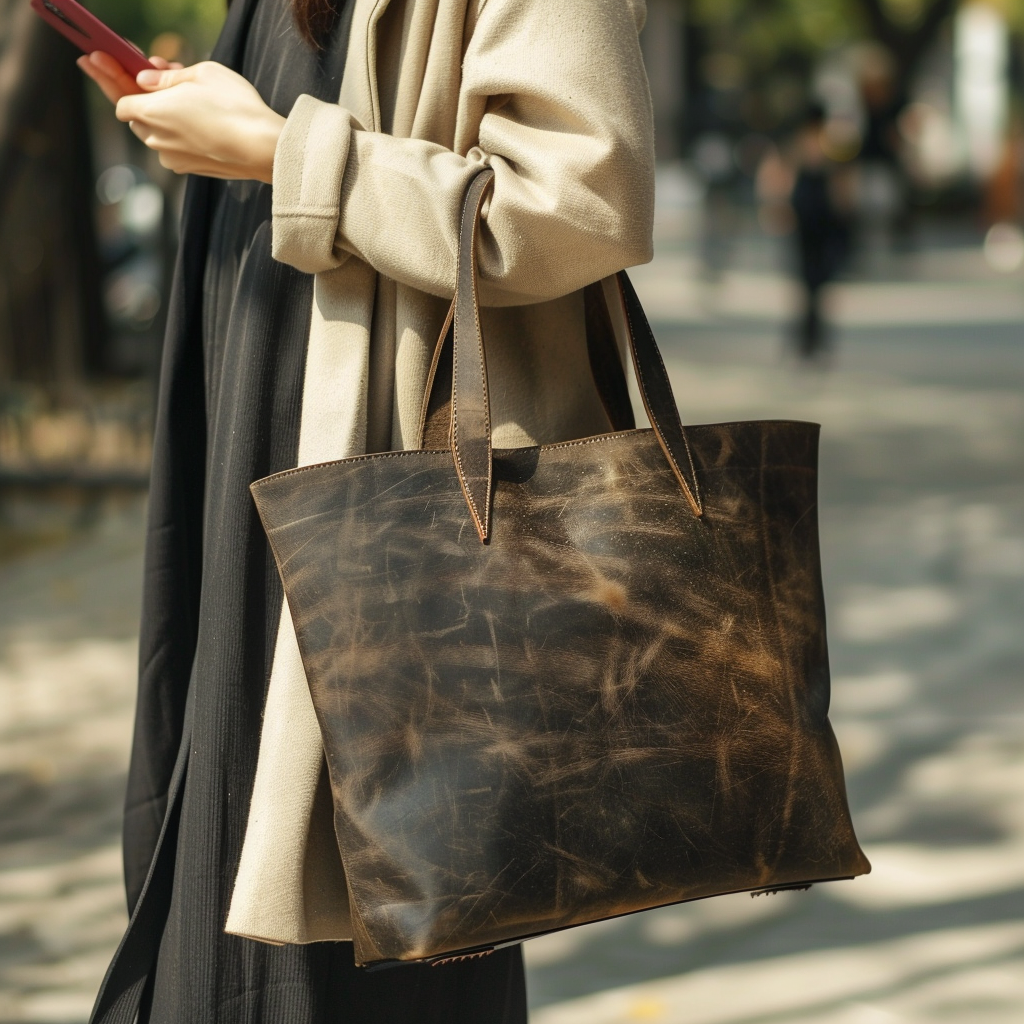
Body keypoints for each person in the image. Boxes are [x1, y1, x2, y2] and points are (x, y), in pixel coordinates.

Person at [78, 0, 655, 1021]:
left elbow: (581, 200)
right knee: (223, 841)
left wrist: (282, 156)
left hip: (381, 468)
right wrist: (211, 126)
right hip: (256, 411)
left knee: (376, 901)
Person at [789, 103, 853, 360]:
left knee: (812, 282)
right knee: (813, 282)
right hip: (816, 216)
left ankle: (810, 336)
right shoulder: (827, 144)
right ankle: (810, 336)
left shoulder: (804, 144)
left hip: (813, 216)